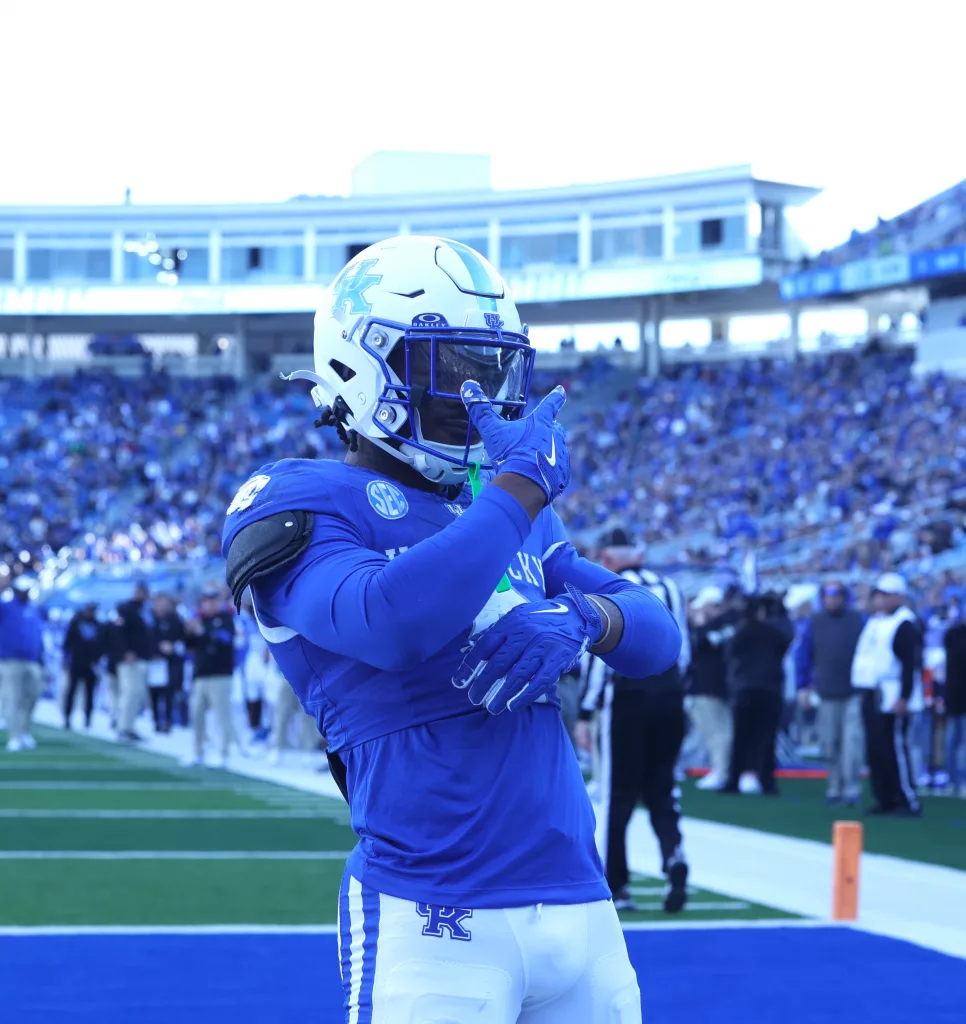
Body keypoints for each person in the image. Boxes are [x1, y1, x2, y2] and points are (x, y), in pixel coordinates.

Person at [221, 237, 681, 1023]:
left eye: (489, 366)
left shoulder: (505, 510)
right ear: (361, 365)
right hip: (432, 909)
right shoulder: (301, 497)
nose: (474, 392)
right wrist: (517, 493)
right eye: (445, 365)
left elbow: (657, 637)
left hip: (580, 903)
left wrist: (587, 617)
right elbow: (388, 622)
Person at [575, 531, 690, 915]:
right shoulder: (670, 587)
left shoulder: (610, 587)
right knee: (662, 787)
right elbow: (683, 649)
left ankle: (617, 884)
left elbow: (598, 657)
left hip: (626, 695)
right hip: (670, 691)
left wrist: (587, 712)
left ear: (607, 559)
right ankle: (674, 854)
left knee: (617, 795)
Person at [852, 573, 924, 816]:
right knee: (876, 749)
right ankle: (884, 797)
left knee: (895, 748)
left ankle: (905, 799)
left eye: (886, 595)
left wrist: (904, 695)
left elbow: (909, 664)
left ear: (898, 596)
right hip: (873, 691)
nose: (880, 599)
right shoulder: (875, 621)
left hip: (893, 693)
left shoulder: (905, 623)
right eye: (879, 594)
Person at [799, 581, 866, 806]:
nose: (832, 600)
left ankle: (851, 788)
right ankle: (834, 787)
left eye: (837, 595)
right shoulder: (815, 622)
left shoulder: (857, 620)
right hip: (826, 693)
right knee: (829, 743)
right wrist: (803, 686)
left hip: (853, 692)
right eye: (828, 596)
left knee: (852, 744)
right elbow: (804, 655)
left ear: (844, 597)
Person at [723, 592, 794, 795]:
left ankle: (733, 780)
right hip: (770, 689)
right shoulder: (775, 633)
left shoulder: (741, 632)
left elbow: (729, 653)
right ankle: (767, 782)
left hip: (744, 688)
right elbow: (786, 644)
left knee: (740, 736)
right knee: (767, 738)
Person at [686, 585, 737, 790]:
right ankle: (721, 770)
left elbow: (701, 643)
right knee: (718, 732)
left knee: (718, 732)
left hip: (707, 686)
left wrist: (699, 624)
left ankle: (721, 772)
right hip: (716, 686)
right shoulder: (728, 624)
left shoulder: (721, 625)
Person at [184, 587, 239, 768]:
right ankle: (198, 751)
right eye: (206, 601)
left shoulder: (226, 619)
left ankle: (224, 753)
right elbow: (189, 645)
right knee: (197, 714)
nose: (209, 604)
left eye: (212, 600)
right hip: (200, 675)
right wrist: (188, 631)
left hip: (220, 675)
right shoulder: (199, 619)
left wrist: (203, 632)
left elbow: (225, 640)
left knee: (221, 714)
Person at [0, 577, 46, 751]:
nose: (24, 593)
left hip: (32, 661)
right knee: (14, 699)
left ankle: (24, 731)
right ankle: (14, 736)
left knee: (32, 696)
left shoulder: (33, 609)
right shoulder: (5, 607)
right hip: (10, 661)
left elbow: (38, 635)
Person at [115, 582, 151, 741]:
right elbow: (118, 632)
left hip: (142, 658)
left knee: (137, 694)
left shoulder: (146, 610)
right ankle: (123, 728)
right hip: (129, 660)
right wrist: (125, 652)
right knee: (130, 693)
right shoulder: (126, 609)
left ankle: (129, 726)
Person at [149, 593, 185, 734]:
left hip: (171, 662)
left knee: (169, 691)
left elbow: (183, 639)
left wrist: (173, 646)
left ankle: (168, 721)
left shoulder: (176, 620)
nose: (162, 607)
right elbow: (145, 639)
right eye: (159, 604)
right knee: (154, 692)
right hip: (154, 662)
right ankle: (156, 721)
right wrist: (158, 647)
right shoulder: (150, 619)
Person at [62, 602, 102, 730]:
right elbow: (67, 643)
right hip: (76, 663)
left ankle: (88, 719)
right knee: (72, 691)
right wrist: (66, 659)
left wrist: (96, 660)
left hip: (91, 664)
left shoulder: (97, 625)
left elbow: (100, 645)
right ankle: (67, 717)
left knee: (90, 693)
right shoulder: (76, 622)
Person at [942, 615, 966, 796]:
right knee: (952, 741)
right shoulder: (953, 634)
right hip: (954, 696)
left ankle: (961, 780)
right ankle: (952, 780)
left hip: (956, 696)